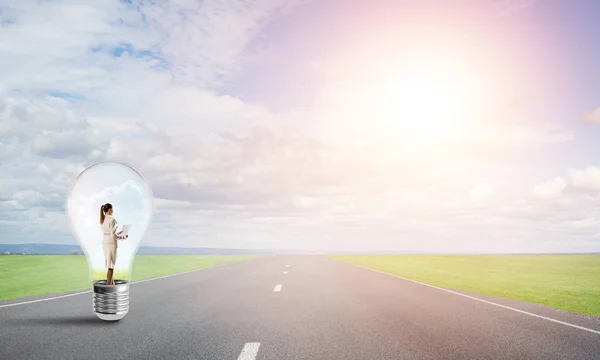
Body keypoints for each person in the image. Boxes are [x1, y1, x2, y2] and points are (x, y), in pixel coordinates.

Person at [99, 203, 128, 285]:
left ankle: (112, 286)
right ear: (109, 210)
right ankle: (108, 287)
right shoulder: (112, 220)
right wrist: (123, 237)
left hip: (105, 243)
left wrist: (120, 233)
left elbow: (110, 233)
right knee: (111, 267)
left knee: (109, 265)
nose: (113, 210)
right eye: (112, 209)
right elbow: (113, 235)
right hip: (111, 244)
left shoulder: (102, 220)